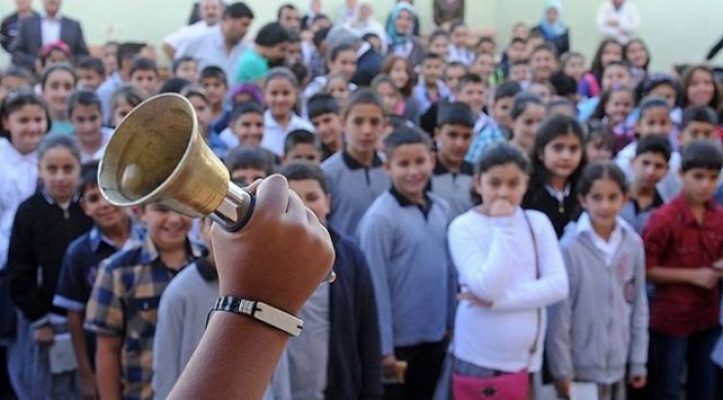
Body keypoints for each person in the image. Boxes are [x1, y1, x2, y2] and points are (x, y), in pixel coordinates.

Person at [448, 142, 568, 399]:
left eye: (513, 184)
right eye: (495, 183)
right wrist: (502, 227)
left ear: (525, 185)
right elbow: (487, 286)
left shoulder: (537, 223)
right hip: (479, 357)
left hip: (527, 359)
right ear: (479, 183)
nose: (504, 193)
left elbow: (558, 285)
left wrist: (496, 303)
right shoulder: (463, 226)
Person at [357, 127, 455, 400]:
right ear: (388, 167)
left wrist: (450, 322)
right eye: (403, 164)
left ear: (432, 161)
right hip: (398, 346)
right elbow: (375, 287)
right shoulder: (380, 219)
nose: (413, 171)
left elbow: (448, 272)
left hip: (435, 335)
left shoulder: (441, 209)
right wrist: (383, 347)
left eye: (420, 162)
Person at [152, 218, 291, 400]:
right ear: (201, 229)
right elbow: (165, 372)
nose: (229, 232)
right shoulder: (180, 292)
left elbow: (277, 363)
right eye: (216, 222)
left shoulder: (264, 286)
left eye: (241, 224)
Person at [280, 161, 383, 400]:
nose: (304, 208)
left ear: (328, 201)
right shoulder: (265, 259)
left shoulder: (350, 257)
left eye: (312, 197)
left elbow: (368, 332)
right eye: (293, 201)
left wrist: (372, 390)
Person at [547, 162, 648, 400]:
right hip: (580, 367)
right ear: (583, 200)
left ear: (625, 198)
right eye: (597, 197)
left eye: (613, 197)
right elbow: (560, 315)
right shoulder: (569, 247)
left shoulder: (632, 243)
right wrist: (562, 370)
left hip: (618, 363)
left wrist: (638, 360)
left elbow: (638, 304)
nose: (605, 205)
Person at [84, 201, 202, 400]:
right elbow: (107, 351)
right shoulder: (118, 271)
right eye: (162, 209)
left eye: (182, 209)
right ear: (140, 213)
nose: (174, 219)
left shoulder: (208, 263)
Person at [7, 135, 93, 399]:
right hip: (46, 320)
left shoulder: (88, 207)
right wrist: (38, 319)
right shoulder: (29, 212)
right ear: (39, 169)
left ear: (79, 168)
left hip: (87, 318)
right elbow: (20, 271)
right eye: (51, 169)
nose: (60, 177)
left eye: (68, 169)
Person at [52, 163, 141, 400]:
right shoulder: (79, 253)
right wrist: (86, 373)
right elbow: (74, 316)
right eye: (93, 198)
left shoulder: (150, 239)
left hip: (148, 355)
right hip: (104, 358)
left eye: (109, 194)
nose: (104, 204)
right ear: (85, 207)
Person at [643, 141, 723, 400]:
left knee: (704, 387)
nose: (705, 185)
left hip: (708, 317)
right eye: (698, 177)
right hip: (671, 318)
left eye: (712, 178)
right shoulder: (664, 218)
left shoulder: (718, 216)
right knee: (668, 387)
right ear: (681, 175)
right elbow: (645, 269)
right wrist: (692, 276)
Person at [322, 89, 390, 236]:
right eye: (358, 122)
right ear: (343, 123)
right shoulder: (328, 173)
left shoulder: (391, 169)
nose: (366, 130)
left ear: (384, 125)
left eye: (374, 122)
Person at [522, 114, 587, 238]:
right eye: (558, 148)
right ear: (541, 152)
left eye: (573, 149)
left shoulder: (585, 190)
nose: (566, 156)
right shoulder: (526, 191)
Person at [174, 2, 254, 85]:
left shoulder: (247, 49)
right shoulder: (197, 40)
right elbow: (176, 68)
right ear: (229, 19)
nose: (246, 30)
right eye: (244, 25)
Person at [10, 0, 89, 71]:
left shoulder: (73, 25)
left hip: (65, 77)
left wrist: (66, 63)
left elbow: (83, 55)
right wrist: (34, 63)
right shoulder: (27, 24)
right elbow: (15, 52)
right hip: (33, 78)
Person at [431, 102, 475, 218]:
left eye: (466, 137)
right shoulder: (424, 173)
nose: (460, 144)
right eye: (452, 135)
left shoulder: (477, 175)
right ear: (437, 134)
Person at [619, 135, 670, 235]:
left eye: (658, 166)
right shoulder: (613, 197)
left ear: (666, 170)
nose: (650, 172)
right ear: (633, 162)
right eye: (645, 163)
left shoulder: (664, 209)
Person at [261, 68, 314, 157]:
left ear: (296, 94)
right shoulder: (258, 129)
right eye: (274, 93)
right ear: (265, 95)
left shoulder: (305, 128)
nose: (280, 99)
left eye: (286, 93)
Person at [466, 80, 522, 162]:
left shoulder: (526, 134)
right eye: (504, 108)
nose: (509, 114)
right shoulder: (486, 139)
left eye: (514, 108)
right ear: (493, 109)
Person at [96, 42, 145, 122]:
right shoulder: (106, 90)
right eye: (142, 60)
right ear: (126, 61)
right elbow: (104, 122)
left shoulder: (139, 85)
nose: (146, 64)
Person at [67, 90, 114, 162]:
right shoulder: (66, 149)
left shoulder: (115, 140)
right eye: (81, 120)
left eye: (93, 119)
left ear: (102, 116)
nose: (88, 127)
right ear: (70, 119)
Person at [590, 86, 636, 154]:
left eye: (626, 105)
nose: (621, 109)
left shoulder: (633, 130)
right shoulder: (597, 126)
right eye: (616, 104)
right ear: (606, 107)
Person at [40, 63, 76, 136]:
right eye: (54, 87)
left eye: (68, 87)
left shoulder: (88, 128)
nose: (62, 94)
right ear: (43, 91)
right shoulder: (34, 129)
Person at [385, 3, 425, 67]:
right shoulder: (384, 43)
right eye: (399, 18)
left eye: (408, 19)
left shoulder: (418, 45)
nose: (403, 23)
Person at [308, 93, 344, 161]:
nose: (322, 129)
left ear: (340, 119)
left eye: (327, 120)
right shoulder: (315, 158)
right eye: (316, 124)